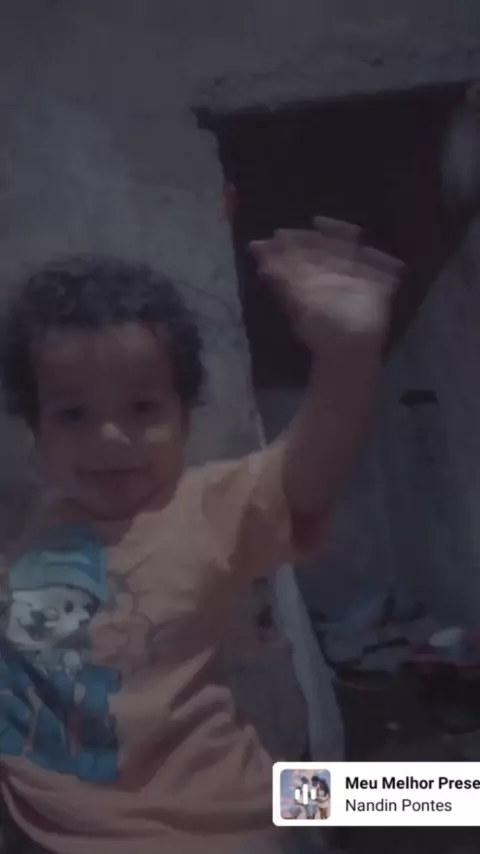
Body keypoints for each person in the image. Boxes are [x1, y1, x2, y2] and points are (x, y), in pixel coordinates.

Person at [0, 217, 403, 853]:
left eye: (143, 408)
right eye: (73, 414)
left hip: (225, 824)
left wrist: (348, 357)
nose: (110, 437)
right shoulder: (36, 534)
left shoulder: (206, 506)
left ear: (185, 419)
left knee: (435, 793)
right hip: (52, 831)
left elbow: (309, 469)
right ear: (37, 434)